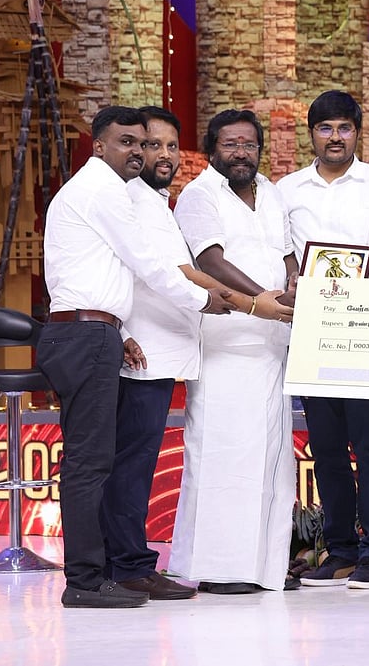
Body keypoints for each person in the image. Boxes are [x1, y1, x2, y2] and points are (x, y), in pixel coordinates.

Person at [38, 104, 234, 609]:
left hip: (91, 331)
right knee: (89, 465)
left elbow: (100, 274)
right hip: (84, 334)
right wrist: (205, 299)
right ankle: (86, 581)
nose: (137, 152)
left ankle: (102, 573)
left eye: (140, 143)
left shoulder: (95, 190)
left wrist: (119, 329)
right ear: (98, 146)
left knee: (95, 462)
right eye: (126, 142)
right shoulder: (104, 190)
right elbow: (151, 265)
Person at [101, 106, 284, 601]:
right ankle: (140, 565)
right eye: (149, 145)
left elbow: (182, 270)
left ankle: (255, 564)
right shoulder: (162, 199)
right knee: (153, 460)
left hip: (228, 344)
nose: (161, 154)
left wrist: (275, 300)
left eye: (168, 146)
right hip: (171, 345)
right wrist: (254, 303)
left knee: (257, 459)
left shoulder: (162, 201)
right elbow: (186, 268)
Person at [168, 109, 297, 594]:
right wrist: (262, 299)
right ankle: (219, 569)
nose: (241, 152)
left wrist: (293, 283)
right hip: (227, 343)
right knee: (224, 458)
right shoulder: (199, 195)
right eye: (230, 144)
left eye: (249, 144)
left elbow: (287, 253)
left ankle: (264, 568)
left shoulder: (271, 191)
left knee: (269, 462)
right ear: (212, 149)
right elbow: (209, 261)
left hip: (274, 343)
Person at [278, 91, 369, 589]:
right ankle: (341, 550)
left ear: (357, 133)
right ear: (312, 134)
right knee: (326, 448)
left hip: (365, 330)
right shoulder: (286, 190)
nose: (335, 137)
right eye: (325, 128)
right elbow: (282, 251)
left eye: (344, 128)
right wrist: (290, 278)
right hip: (312, 333)